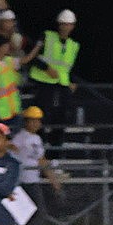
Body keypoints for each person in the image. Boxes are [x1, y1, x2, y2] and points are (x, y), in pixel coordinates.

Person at [11, 106, 62, 225]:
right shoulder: (20, 138)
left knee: (32, 214)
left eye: (38, 120)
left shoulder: (36, 139)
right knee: (35, 213)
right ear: (27, 121)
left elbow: (41, 160)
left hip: (32, 180)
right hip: (22, 181)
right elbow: (10, 154)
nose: (36, 123)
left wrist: (52, 178)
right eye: (33, 120)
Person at [29, 10, 79, 146]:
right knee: (40, 116)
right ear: (58, 24)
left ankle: (55, 152)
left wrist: (73, 82)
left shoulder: (73, 45)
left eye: (69, 25)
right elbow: (32, 57)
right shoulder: (47, 36)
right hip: (44, 82)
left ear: (73, 26)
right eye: (63, 24)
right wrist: (46, 68)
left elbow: (71, 67)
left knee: (62, 118)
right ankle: (39, 148)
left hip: (63, 85)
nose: (65, 27)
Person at [0, 35, 42, 127]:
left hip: (14, 109)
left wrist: (38, 46)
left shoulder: (9, 61)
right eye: (5, 46)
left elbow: (26, 59)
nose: (8, 48)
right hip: (1, 114)